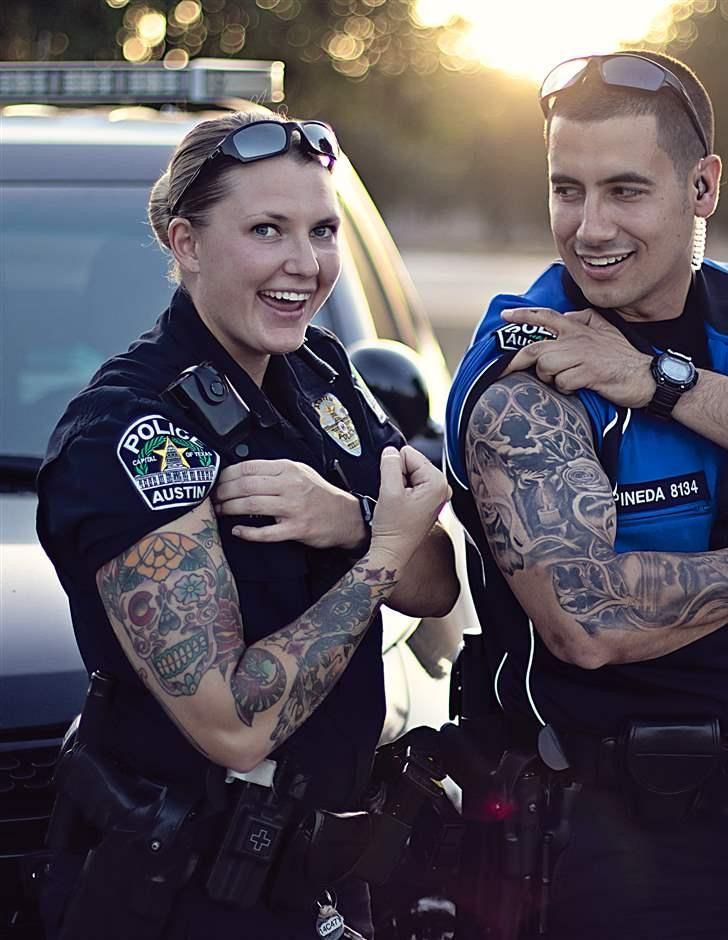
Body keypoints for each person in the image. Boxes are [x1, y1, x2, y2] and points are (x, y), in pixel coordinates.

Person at [444, 51, 728, 939]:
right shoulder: (528, 359)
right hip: (584, 846)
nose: (588, 228)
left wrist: (662, 381)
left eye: (625, 190)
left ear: (703, 187)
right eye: (565, 189)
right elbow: (588, 625)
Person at [36, 111, 458, 939]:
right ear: (185, 241)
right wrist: (380, 551)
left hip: (323, 887)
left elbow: (437, 579)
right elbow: (233, 722)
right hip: (185, 903)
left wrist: (347, 519)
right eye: (267, 230)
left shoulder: (321, 371)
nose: (305, 266)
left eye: (323, 230)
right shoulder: (134, 435)